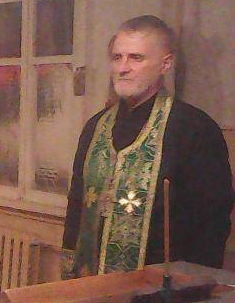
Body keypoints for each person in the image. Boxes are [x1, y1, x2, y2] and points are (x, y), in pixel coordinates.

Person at [62, 15, 234, 278]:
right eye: (117, 57)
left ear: (165, 63)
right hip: (90, 283)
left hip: (160, 286)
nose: (123, 68)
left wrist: (193, 287)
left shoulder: (194, 129)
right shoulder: (95, 127)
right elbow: (77, 205)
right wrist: (67, 276)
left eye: (136, 58)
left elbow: (211, 222)